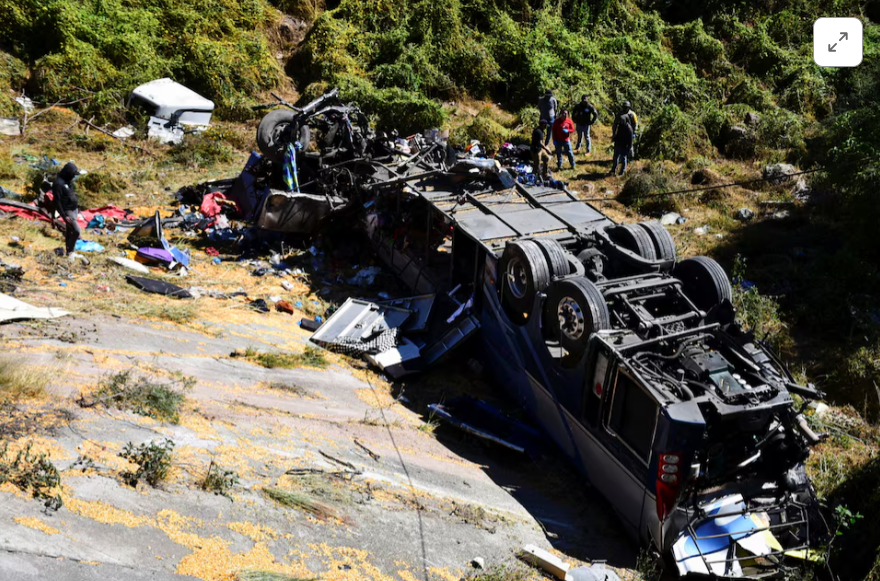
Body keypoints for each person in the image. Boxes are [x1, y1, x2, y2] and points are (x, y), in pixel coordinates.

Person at [52, 162, 81, 254]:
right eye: (72, 174)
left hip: (74, 209)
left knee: (70, 230)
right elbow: (57, 201)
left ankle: (69, 250)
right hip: (67, 211)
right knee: (76, 231)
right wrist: (64, 215)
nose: (73, 177)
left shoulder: (67, 181)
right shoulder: (58, 184)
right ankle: (71, 250)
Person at [610, 103, 636, 176]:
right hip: (618, 143)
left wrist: (629, 147)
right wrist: (614, 137)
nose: (620, 121)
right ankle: (613, 170)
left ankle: (622, 171)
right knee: (615, 157)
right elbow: (615, 128)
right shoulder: (620, 125)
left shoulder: (629, 129)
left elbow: (630, 139)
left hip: (624, 145)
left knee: (623, 158)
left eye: (621, 120)